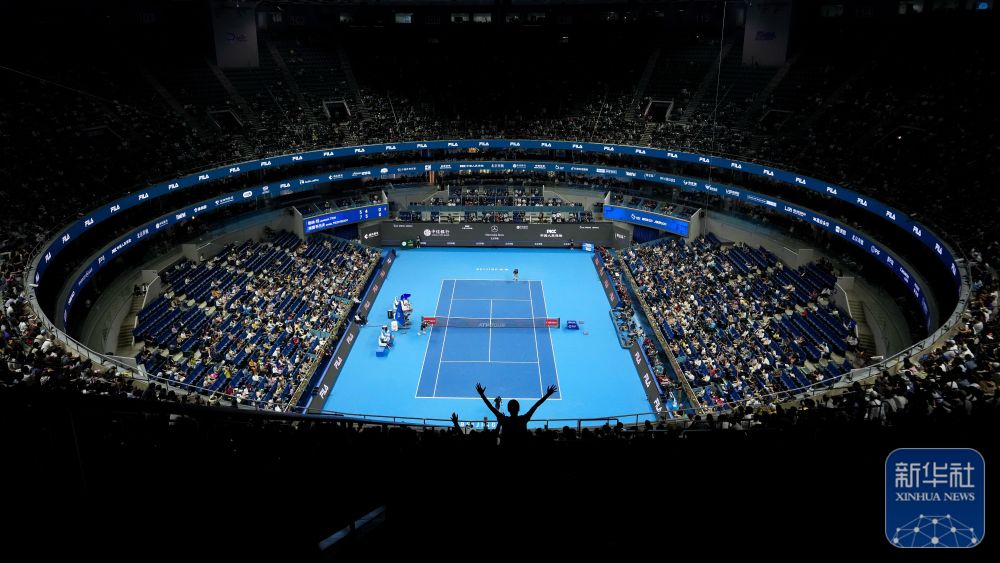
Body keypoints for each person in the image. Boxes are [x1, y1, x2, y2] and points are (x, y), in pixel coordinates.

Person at [476, 382, 556, 444]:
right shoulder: (523, 419)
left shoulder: (504, 419)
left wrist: (482, 394)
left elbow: (490, 406)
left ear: (508, 409)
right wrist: (548, 394)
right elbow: (536, 406)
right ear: (519, 409)